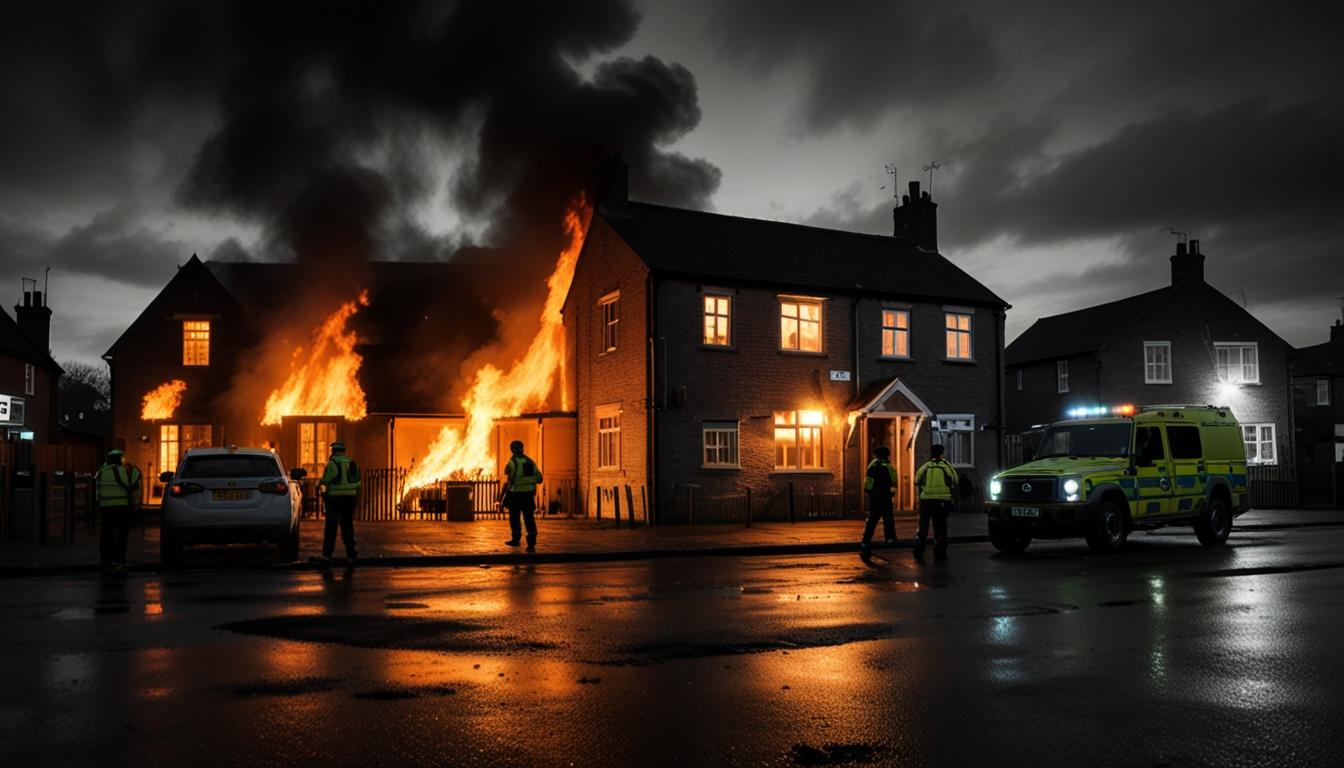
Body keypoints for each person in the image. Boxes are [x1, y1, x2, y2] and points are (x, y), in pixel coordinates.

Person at [95, 449, 141, 573]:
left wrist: (98, 505)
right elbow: (135, 487)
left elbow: (97, 490)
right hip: (122, 508)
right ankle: (119, 562)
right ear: (121, 459)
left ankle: (105, 562)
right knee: (121, 536)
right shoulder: (127, 471)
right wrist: (135, 506)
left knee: (106, 536)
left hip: (105, 508)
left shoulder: (101, 471)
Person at [315, 441, 360, 565]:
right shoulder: (352, 463)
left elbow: (326, 480)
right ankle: (351, 554)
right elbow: (358, 482)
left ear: (333, 451)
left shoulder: (333, 463)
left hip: (335, 499)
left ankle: (327, 555)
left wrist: (320, 485)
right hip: (349, 499)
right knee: (347, 527)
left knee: (331, 527)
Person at [913, 444, 959, 561]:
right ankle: (940, 553)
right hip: (941, 502)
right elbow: (955, 479)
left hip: (926, 501)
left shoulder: (926, 466)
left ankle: (919, 551)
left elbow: (917, 480)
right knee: (940, 528)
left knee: (923, 527)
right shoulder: (946, 467)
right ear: (942, 453)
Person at [501, 440, 542, 553]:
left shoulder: (512, 462)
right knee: (529, 518)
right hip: (528, 495)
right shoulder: (530, 461)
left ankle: (516, 539)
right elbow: (539, 478)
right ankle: (531, 544)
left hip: (515, 494)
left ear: (512, 449)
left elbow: (508, 476)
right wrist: (529, 481)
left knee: (514, 517)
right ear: (522, 448)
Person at [860, 445, 898, 560]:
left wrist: (868, 492)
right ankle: (890, 538)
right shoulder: (888, 466)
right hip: (885, 496)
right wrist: (892, 493)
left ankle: (866, 540)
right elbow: (894, 481)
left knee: (872, 519)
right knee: (888, 518)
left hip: (875, 496)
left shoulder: (872, 465)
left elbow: (868, 481)